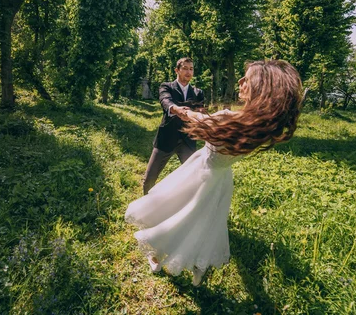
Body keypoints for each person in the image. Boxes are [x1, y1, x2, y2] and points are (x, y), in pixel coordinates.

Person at [125, 60, 303, 286]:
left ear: (259, 87)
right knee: (208, 221)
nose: (240, 81)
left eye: (245, 79)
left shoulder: (229, 118)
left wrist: (187, 113)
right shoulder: (259, 128)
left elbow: (201, 121)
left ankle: (159, 256)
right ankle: (199, 269)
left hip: (199, 173)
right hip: (221, 179)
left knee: (180, 213)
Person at [141, 58, 205, 195]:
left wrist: (200, 114)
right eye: (185, 68)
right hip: (166, 138)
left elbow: (201, 111)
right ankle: (145, 209)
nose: (189, 72)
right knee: (149, 179)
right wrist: (177, 110)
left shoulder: (198, 92)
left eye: (191, 69)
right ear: (177, 70)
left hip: (188, 140)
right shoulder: (166, 86)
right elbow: (165, 101)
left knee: (194, 179)